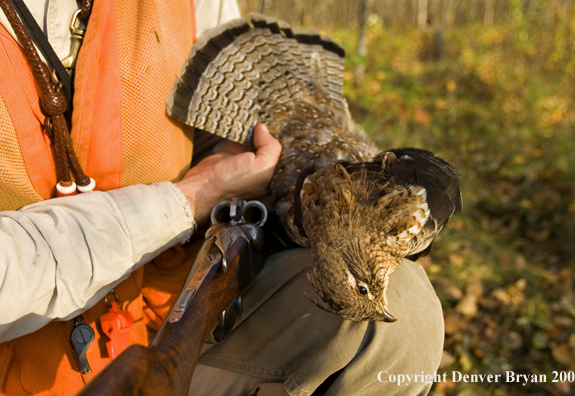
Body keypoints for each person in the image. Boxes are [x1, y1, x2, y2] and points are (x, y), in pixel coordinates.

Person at [0, 1, 445, 395]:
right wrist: (188, 199)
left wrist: (299, 156)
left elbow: (223, 131)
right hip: (23, 365)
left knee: (405, 320)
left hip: (175, 307)